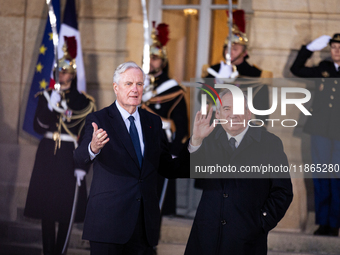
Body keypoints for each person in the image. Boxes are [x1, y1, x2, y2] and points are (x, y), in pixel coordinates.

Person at [73, 61, 189, 255]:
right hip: (108, 226)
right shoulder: (99, 120)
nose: (135, 89)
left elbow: (167, 167)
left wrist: (195, 144)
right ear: (116, 88)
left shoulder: (153, 122)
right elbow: (78, 158)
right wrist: (93, 147)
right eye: (129, 84)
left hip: (143, 228)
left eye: (139, 84)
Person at [185, 89, 293, 255]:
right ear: (219, 114)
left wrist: (260, 222)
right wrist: (196, 141)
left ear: (248, 114)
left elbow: (283, 191)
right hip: (206, 237)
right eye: (227, 109)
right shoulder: (208, 139)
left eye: (239, 110)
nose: (233, 115)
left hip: (246, 241)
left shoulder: (269, 143)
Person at [24, 36, 96, 255]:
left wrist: (82, 166)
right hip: (47, 154)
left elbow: (87, 137)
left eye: (64, 72)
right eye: (58, 71)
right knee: (46, 210)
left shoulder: (84, 103)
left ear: (72, 75)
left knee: (66, 211)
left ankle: (60, 251)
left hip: (68, 156)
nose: (61, 75)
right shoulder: (47, 96)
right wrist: (51, 103)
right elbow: (38, 126)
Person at [290, 33, 340, 236]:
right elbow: (296, 69)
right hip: (320, 130)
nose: (336, 50)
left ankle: (334, 223)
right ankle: (322, 222)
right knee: (320, 176)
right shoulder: (324, 69)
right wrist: (308, 49)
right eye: (334, 46)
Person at [142, 22, 189, 216]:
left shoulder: (172, 90)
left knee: (155, 203)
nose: (151, 62)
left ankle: (150, 246)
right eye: (148, 58)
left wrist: (175, 153)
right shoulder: (138, 85)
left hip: (160, 149)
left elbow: (181, 127)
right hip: (138, 146)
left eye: (155, 58)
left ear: (163, 61)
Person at [202, 9, 272, 126]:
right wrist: (218, 81)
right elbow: (203, 99)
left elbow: (262, 111)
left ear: (244, 53)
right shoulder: (214, 70)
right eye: (227, 49)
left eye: (235, 49)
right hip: (216, 125)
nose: (230, 53)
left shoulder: (256, 74)